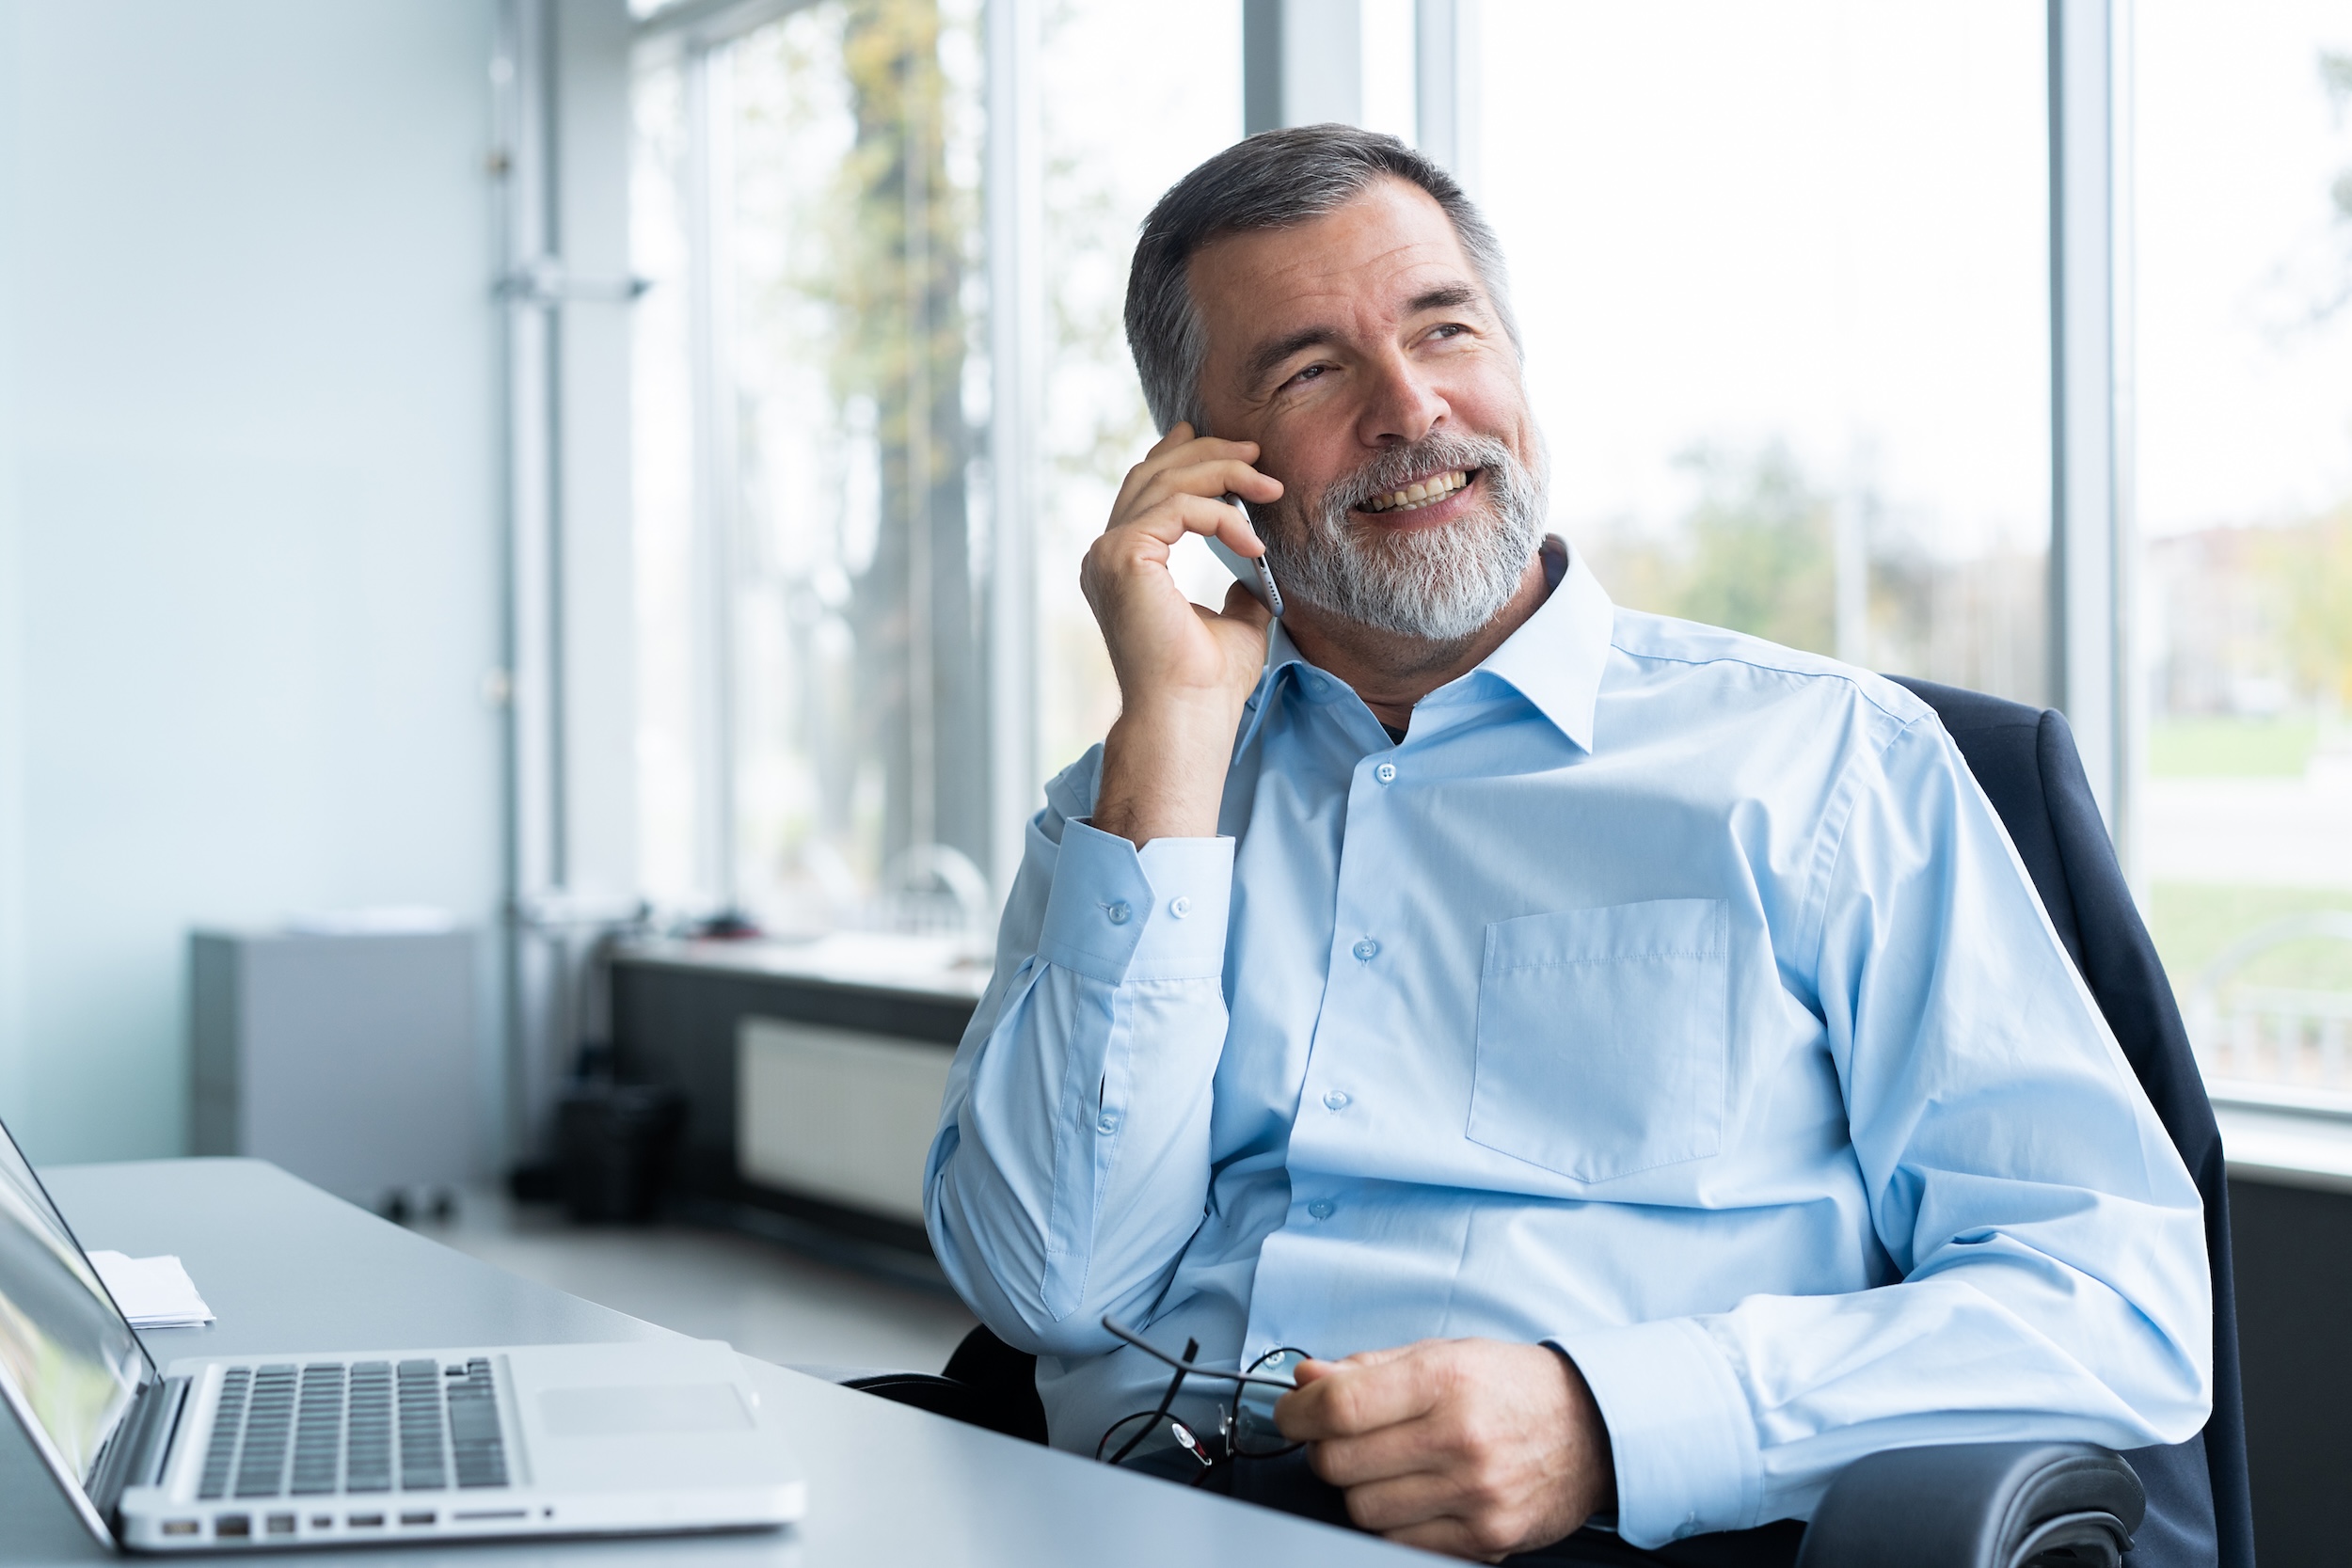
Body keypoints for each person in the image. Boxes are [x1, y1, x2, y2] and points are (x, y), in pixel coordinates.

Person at [922, 125, 2209, 1564]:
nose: (1411, 408)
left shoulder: (1833, 765)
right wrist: (1166, 750)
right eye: (1310, 371)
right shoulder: (1130, 803)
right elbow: (1049, 1288)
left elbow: (2112, 1295)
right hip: (1130, 1521)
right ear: (1207, 471)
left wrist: (1611, 1421)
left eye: (1446, 330)